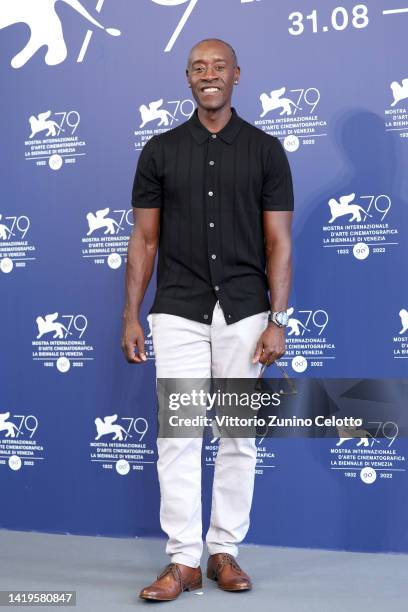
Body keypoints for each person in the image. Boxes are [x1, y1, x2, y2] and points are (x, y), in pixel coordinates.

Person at [121, 38, 294, 601]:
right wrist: (131, 315)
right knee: (178, 436)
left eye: (218, 66)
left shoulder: (266, 151)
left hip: (246, 314)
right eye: (198, 68)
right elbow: (144, 240)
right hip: (177, 312)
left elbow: (279, 242)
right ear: (189, 80)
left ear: (237, 76)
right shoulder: (160, 151)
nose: (208, 74)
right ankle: (183, 561)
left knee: (238, 437)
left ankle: (224, 552)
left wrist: (276, 318)